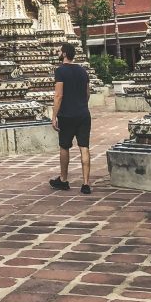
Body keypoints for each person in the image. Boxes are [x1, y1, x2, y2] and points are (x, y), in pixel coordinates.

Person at [48, 42, 91, 194]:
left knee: (64, 146)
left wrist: (53, 116)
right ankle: (85, 184)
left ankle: (64, 180)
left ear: (65, 54)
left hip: (67, 115)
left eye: (60, 51)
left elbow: (59, 95)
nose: (58, 52)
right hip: (83, 114)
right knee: (84, 147)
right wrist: (81, 105)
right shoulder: (83, 71)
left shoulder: (60, 71)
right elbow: (87, 94)